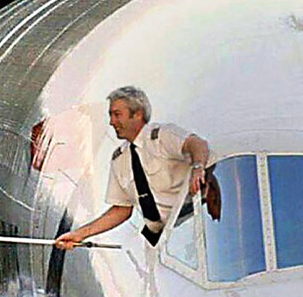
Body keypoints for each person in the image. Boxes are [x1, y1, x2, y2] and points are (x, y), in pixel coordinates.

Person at [55, 86, 211, 249]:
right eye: (111, 115)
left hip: (189, 230)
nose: (111, 122)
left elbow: (197, 144)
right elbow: (122, 209)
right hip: (159, 242)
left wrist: (198, 167)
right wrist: (80, 234)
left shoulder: (162, 136)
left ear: (137, 114)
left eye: (117, 115)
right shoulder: (119, 159)